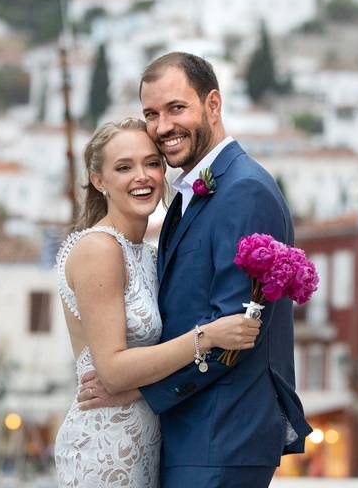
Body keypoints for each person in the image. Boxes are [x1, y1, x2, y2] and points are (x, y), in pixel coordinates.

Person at [78, 53, 311, 487]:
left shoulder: (243, 191)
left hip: (221, 437)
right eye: (151, 114)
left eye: (176, 108)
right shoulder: (193, 195)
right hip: (193, 436)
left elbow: (235, 332)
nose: (163, 126)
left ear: (213, 105)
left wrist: (137, 390)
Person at [54, 117, 261, 488]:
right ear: (99, 180)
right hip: (104, 446)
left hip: (148, 440)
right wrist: (207, 336)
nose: (142, 176)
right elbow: (113, 370)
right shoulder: (98, 249)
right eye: (124, 167)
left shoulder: (149, 255)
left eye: (151, 163)